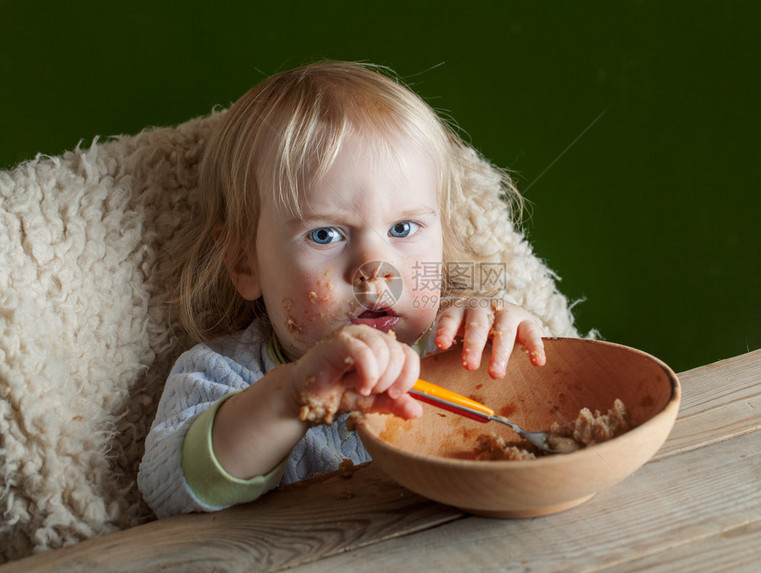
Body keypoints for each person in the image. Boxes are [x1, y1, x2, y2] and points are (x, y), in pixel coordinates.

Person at [138, 61, 548, 518]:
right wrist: (295, 395)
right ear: (243, 262)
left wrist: (510, 343)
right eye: (325, 235)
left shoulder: (458, 348)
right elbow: (168, 488)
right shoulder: (224, 376)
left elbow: (543, 427)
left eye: (404, 227)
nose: (374, 274)